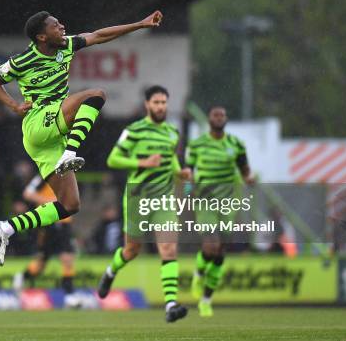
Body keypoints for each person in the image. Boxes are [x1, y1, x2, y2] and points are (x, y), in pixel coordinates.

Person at [0, 9, 164, 265]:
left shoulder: (66, 46)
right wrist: (13, 106)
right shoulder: (22, 60)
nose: (62, 27)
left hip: (48, 139)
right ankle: (71, 152)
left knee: (69, 205)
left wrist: (140, 24)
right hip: (38, 122)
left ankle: (5, 228)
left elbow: (99, 35)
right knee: (96, 94)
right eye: (55, 26)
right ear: (41, 37)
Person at [96, 86, 190, 323]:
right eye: (156, 102)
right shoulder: (134, 131)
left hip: (164, 198)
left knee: (168, 249)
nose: (161, 106)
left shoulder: (172, 133)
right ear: (147, 104)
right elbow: (113, 159)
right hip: (138, 198)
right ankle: (110, 272)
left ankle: (170, 305)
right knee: (131, 251)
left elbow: (171, 164)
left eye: (164, 102)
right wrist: (144, 162)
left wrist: (182, 173)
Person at [185, 106, 254, 317]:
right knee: (211, 244)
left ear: (226, 119)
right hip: (205, 200)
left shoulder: (236, 145)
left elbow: (244, 171)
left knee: (220, 251)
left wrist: (249, 179)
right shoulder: (197, 145)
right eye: (215, 115)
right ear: (209, 119)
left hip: (228, 202)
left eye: (222, 115)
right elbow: (189, 169)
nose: (219, 118)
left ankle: (206, 299)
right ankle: (198, 273)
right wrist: (188, 185)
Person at [12, 174, 80, 308]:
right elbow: (28, 193)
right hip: (48, 222)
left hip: (64, 222)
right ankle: (22, 277)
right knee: (41, 263)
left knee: (67, 257)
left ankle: (70, 295)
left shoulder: (68, 175)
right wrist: (51, 202)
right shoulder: (44, 175)